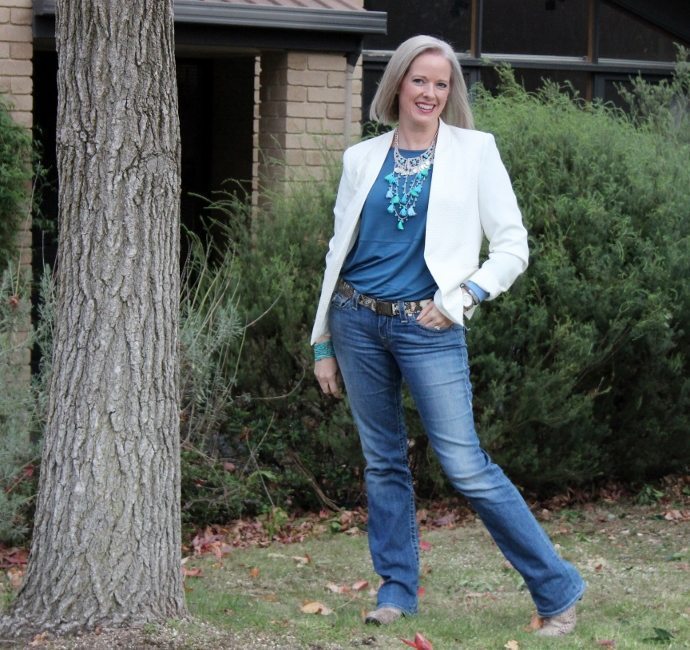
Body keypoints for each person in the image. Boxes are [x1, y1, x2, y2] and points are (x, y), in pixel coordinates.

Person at [311, 34, 585, 637]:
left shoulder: (475, 151)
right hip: (356, 320)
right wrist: (322, 340)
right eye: (419, 80)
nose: (430, 92)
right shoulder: (362, 158)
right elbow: (338, 252)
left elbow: (513, 245)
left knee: (465, 466)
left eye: (442, 84)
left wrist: (465, 297)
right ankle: (396, 589)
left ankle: (557, 587)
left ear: (450, 93)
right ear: (398, 86)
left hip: (427, 327)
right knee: (383, 463)